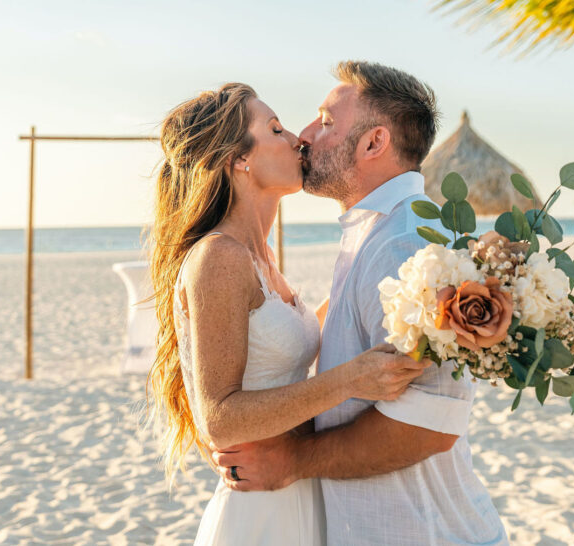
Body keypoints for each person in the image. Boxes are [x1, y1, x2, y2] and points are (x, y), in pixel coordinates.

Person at [211, 62, 509, 545]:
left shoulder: (401, 245)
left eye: (326, 122)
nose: (303, 136)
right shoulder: (375, 232)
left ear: (374, 143)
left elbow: (429, 426)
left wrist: (292, 460)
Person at [147, 82, 430, 545]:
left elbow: (321, 321)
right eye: (275, 129)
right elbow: (220, 418)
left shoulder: (261, 258)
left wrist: (431, 290)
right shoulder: (219, 257)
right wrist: (352, 379)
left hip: (299, 494)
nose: (297, 138)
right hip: (262, 513)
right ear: (239, 158)